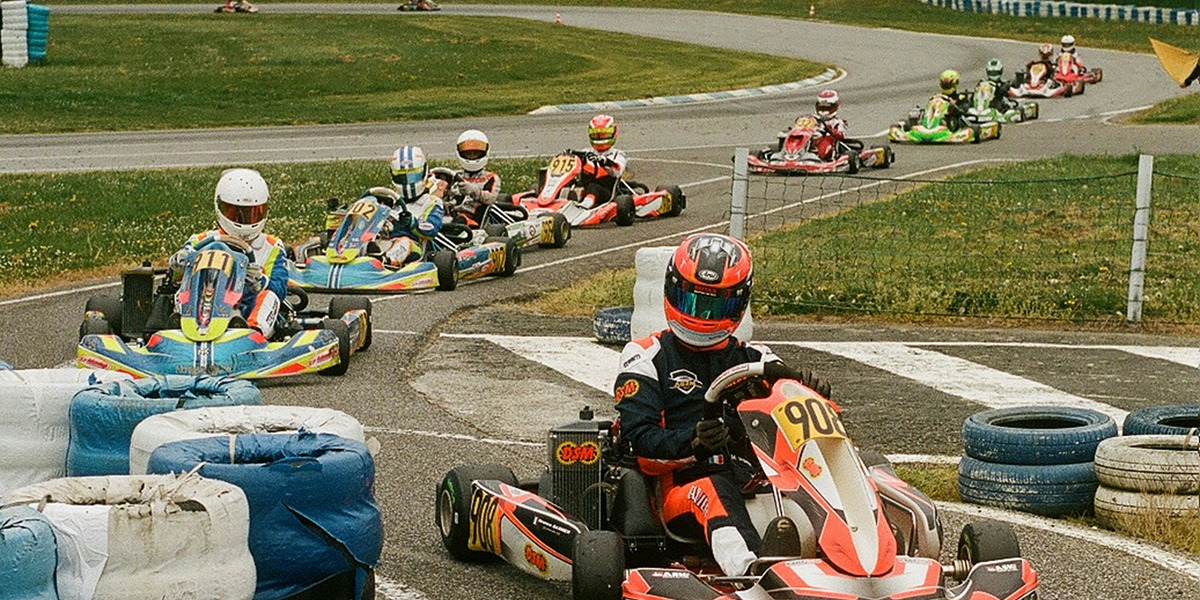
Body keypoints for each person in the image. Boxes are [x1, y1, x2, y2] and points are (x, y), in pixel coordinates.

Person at [612, 233, 832, 577]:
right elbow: (639, 444)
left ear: (739, 304)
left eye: (717, 306)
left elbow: (802, 426)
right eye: (693, 301)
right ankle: (753, 571)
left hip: (759, 479)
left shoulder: (758, 358)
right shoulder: (646, 356)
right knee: (714, 488)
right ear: (672, 291)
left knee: (849, 470)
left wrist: (812, 395)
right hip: (682, 486)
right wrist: (695, 444)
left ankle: (866, 557)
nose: (702, 316)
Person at [168, 168, 286, 339]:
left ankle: (253, 334)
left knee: (269, 296)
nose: (245, 220)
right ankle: (180, 326)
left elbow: (280, 289)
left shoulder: (272, 246)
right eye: (236, 213)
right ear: (220, 207)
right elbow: (175, 277)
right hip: (201, 303)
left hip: (247, 307)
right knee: (183, 292)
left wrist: (260, 281)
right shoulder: (200, 241)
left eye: (253, 213)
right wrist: (179, 262)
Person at [376, 145, 445, 267]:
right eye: (402, 176)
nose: (408, 181)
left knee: (404, 242)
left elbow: (432, 229)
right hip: (384, 241)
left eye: (413, 175)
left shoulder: (432, 202)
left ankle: (385, 262)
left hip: (415, 246)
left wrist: (413, 223)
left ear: (424, 172)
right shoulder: (390, 200)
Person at [447, 129, 502, 225]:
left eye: (475, 153)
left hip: (474, 219)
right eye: (468, 154)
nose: (472, 157)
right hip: (451, 214)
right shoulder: (453, 175)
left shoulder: (491, 177)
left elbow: (491, 199)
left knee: (460, 220)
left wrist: (473, 191)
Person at [577, 114, 628, 209]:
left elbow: (617, 171)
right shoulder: (585, 152)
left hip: (607, 193)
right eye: (596, 135)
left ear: (613, 133)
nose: (600, 138)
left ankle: (584, 207)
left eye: (604, 135)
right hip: (586, 189)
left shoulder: (618, 155)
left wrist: (604, 161)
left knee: (593, 187)